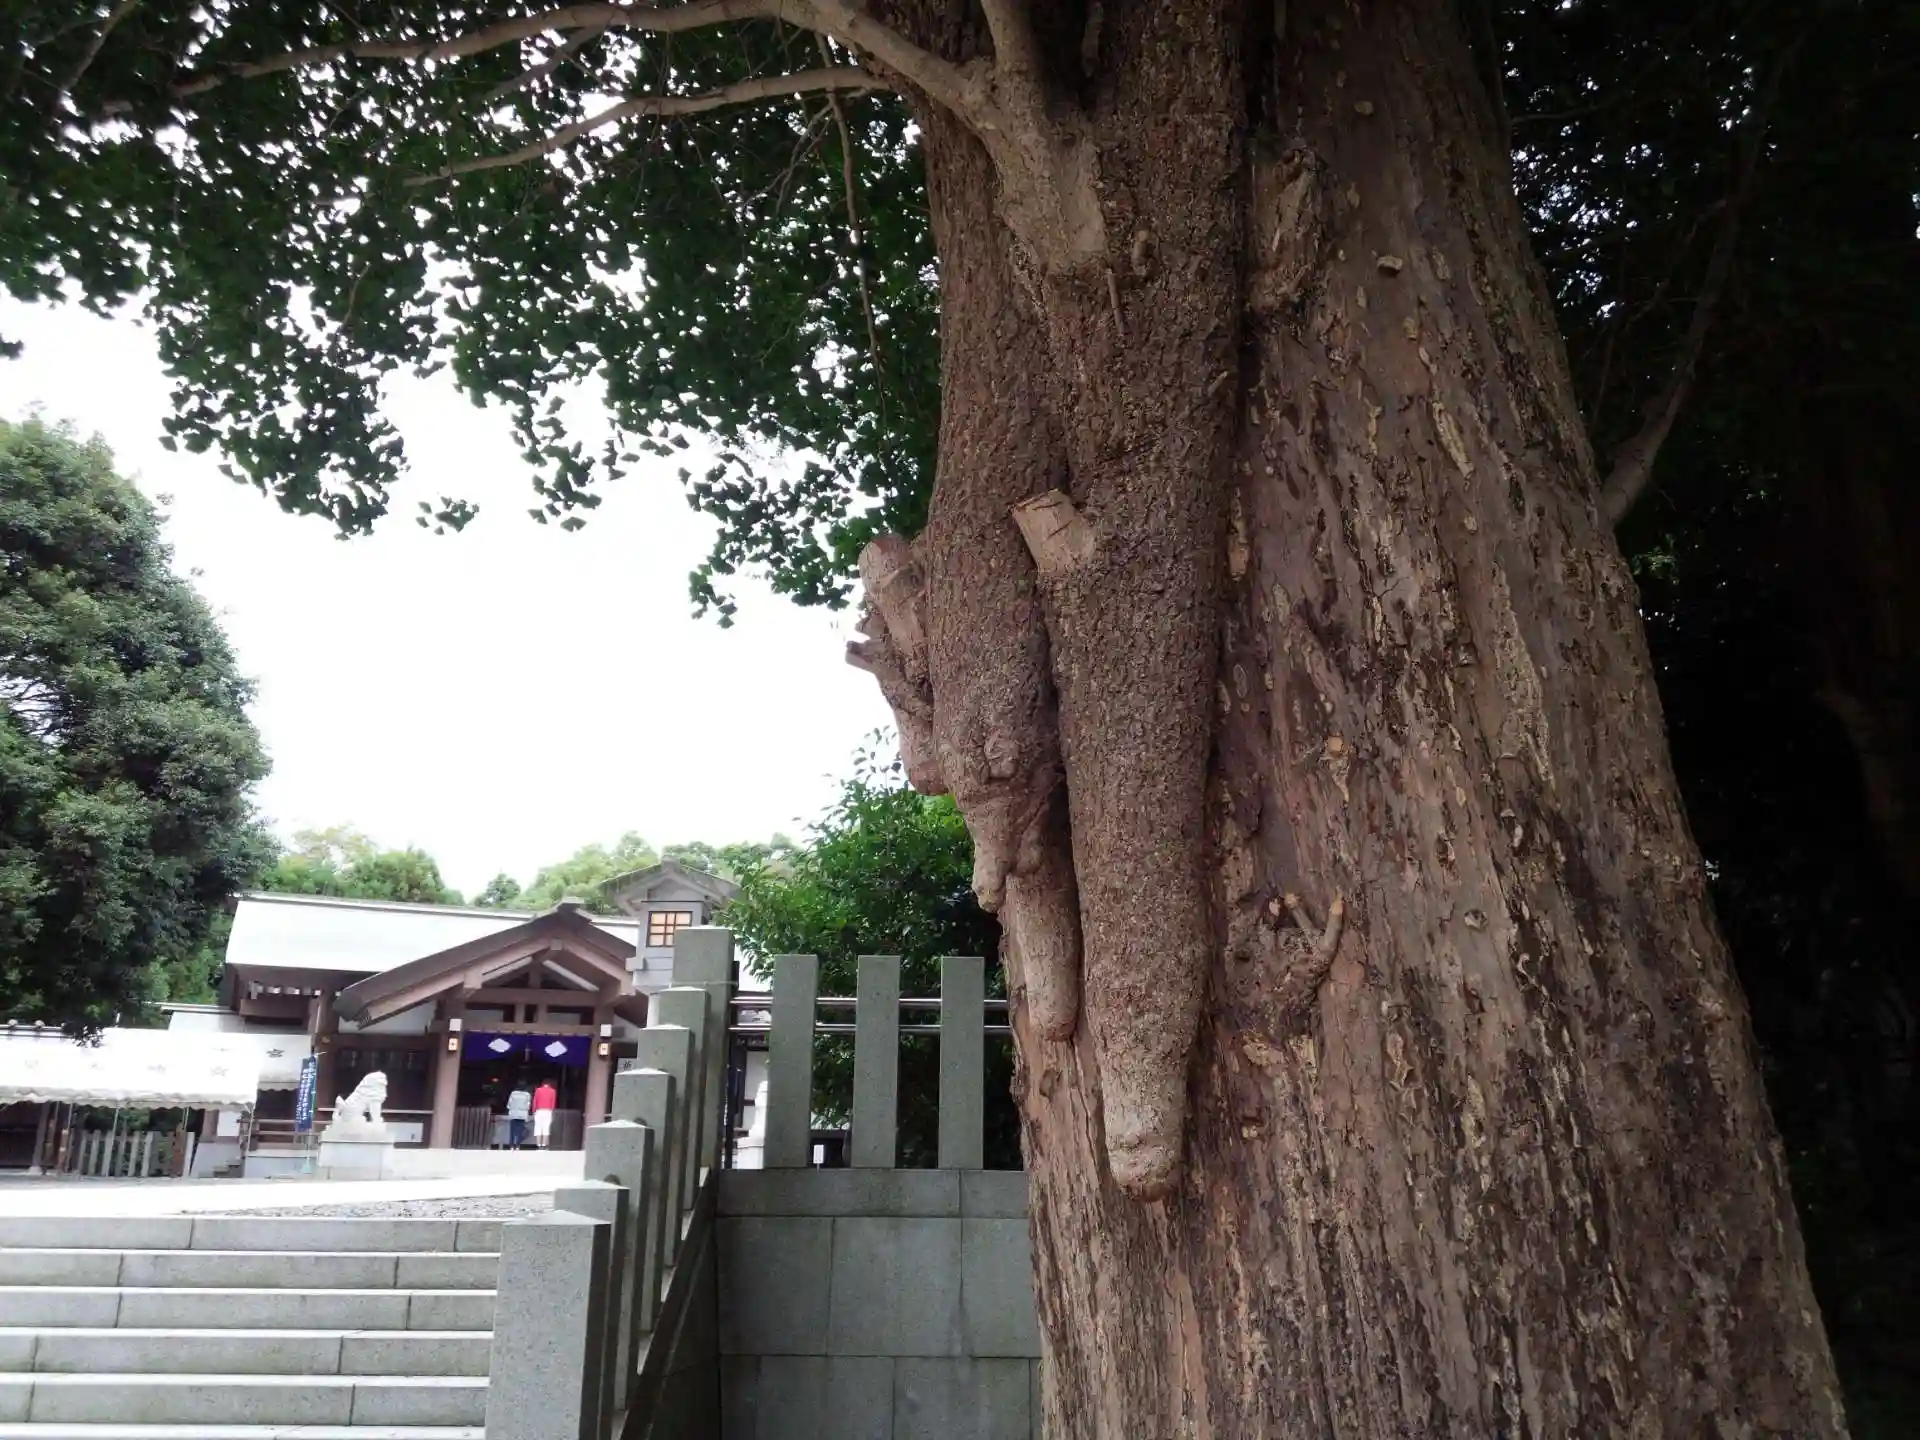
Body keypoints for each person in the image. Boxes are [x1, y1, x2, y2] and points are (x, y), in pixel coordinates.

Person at [504, 1082, 532, 1150]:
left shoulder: (513, 1093)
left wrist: (511, 1108)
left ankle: (511, 1145)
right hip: (522, 1114)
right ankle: (517, 1145)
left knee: (512, 1131)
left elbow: (509, 1104)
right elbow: (528, 1105)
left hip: (513, 1113)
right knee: (520, 1131)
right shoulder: (527, 1094)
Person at [531, 1078, 558, 1149]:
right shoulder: (553, 1091)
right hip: (548, 1111)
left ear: (542, 1083)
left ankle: (538, 1145)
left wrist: (533, 1111)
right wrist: (552, 1112)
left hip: (539, 1111)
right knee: (546, 1128)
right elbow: (553, 1103)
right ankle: (544, 1145)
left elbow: (535, 1101)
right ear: (550, 1084)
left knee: (538, 1128)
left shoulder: (538, 1090)